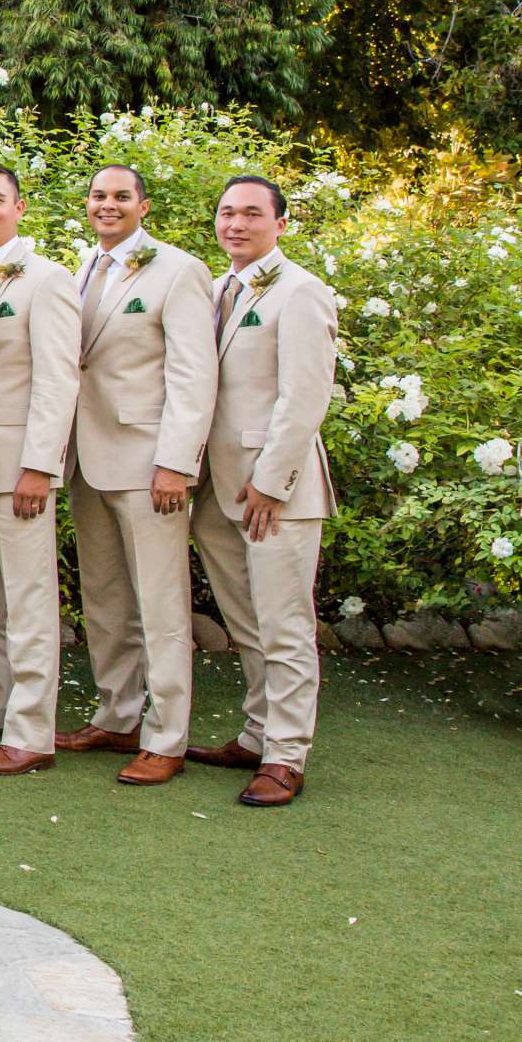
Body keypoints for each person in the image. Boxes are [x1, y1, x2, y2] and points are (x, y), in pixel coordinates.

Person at [58, 164, 216, 786]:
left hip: (149, 462)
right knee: (105, 598)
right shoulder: (83, 268)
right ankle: (117, 714)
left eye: (121, 196)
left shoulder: (179, 271)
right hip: (88, 459)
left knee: (161, 603)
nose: (107, 204)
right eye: (98, 195)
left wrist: (176, 462)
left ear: (143, 205)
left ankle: (168, 735)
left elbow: (192, 376)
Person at [188, 175, 337, 808]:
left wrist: (273, 482)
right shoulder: (219, 288)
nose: (237, 224)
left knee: (284, 626)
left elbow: (304, 397)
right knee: (246, 622)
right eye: (227, 213)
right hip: (218, 488)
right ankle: (255, 733)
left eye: (252, 213)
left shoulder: (301, 292)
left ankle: (286, 756)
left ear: (280, 223)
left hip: (276, 489)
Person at [0, 165, 81, 775]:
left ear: (20, 207)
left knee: (28, 598)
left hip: (17, 464)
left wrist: (39, 464)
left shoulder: (47, 280)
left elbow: (58, 378)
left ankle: (32, 732)